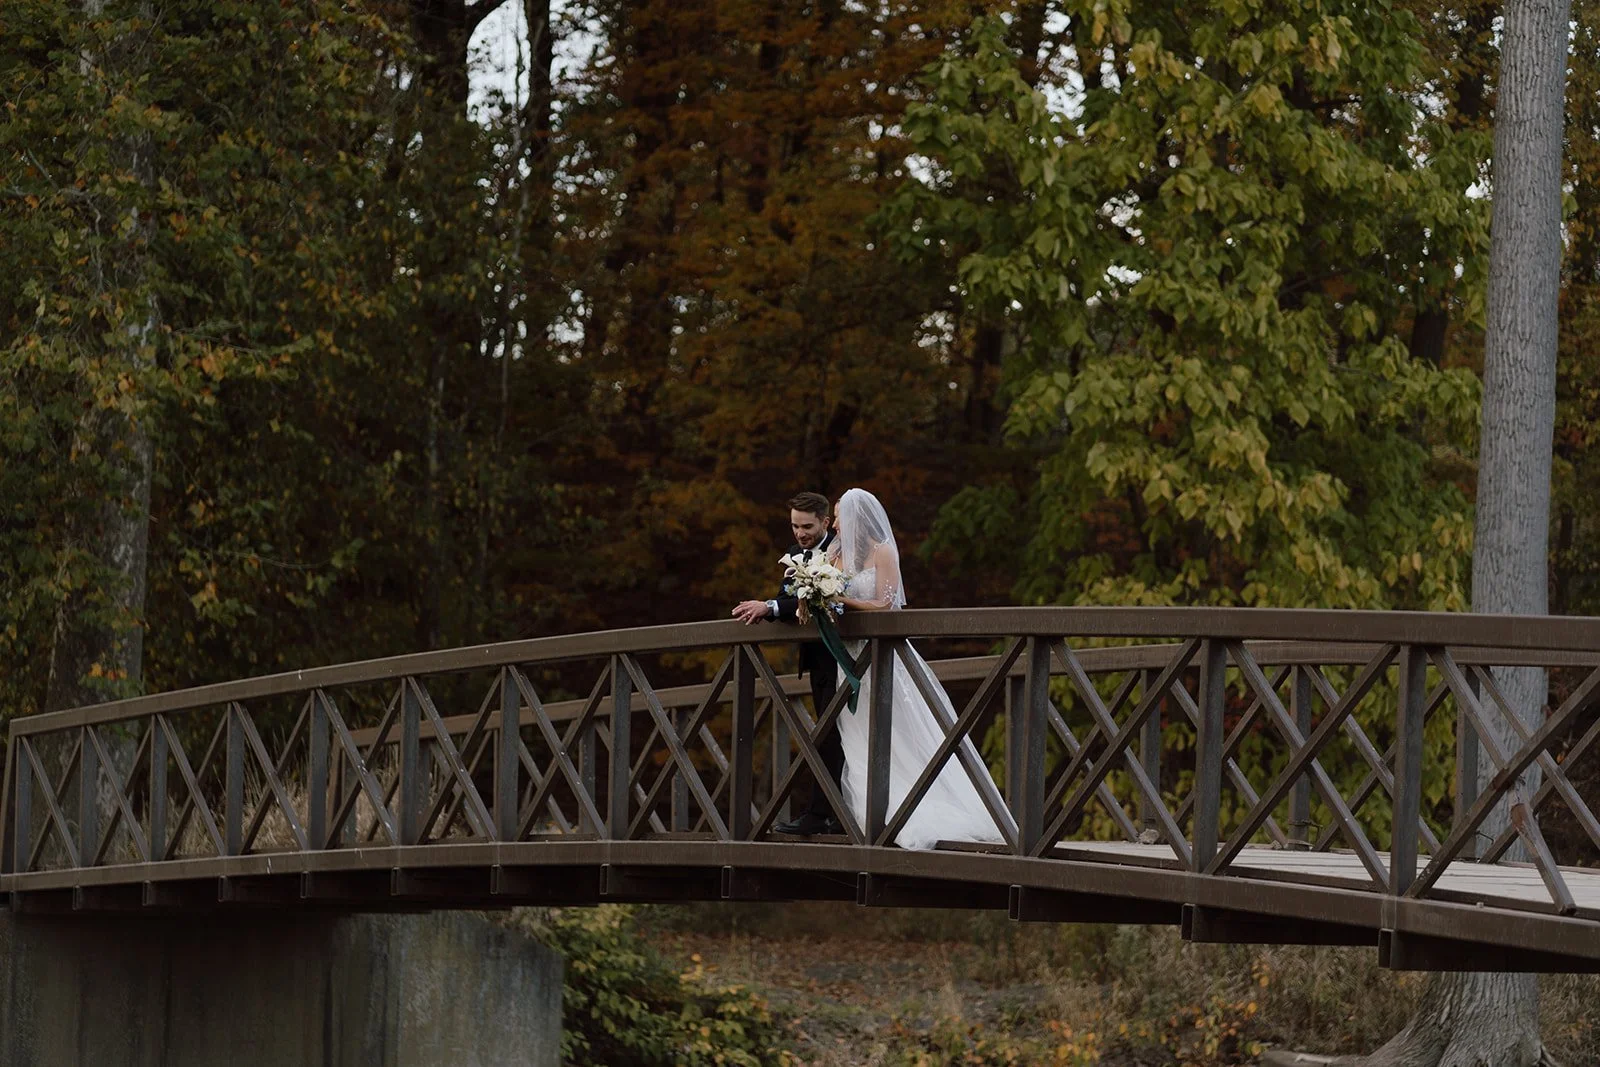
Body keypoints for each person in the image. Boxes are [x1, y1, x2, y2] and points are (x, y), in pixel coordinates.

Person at [829, 487, 1005, 850]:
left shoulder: (883, 552)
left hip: (883, 655)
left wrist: (842, 600)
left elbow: (886, 605)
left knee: (902, 732)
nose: (833, 524)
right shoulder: (834, 556)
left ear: (855, 520)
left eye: (837, 517)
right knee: (858, 732)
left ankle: (912, 809)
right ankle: (873, 816)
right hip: (848, 659)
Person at [731, 491, 845, 835]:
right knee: (826, 737)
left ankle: (824, 815)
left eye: (807, 526)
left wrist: (770, 607)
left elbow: (813, 600)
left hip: (843, 658)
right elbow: (789, 599)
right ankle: (831, 814)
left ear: (825, 522)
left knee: (830, 737)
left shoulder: (842, 550)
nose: (800, 533)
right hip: (817, 659)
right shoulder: (797, 555)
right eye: (795, 526)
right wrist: (772, 606)